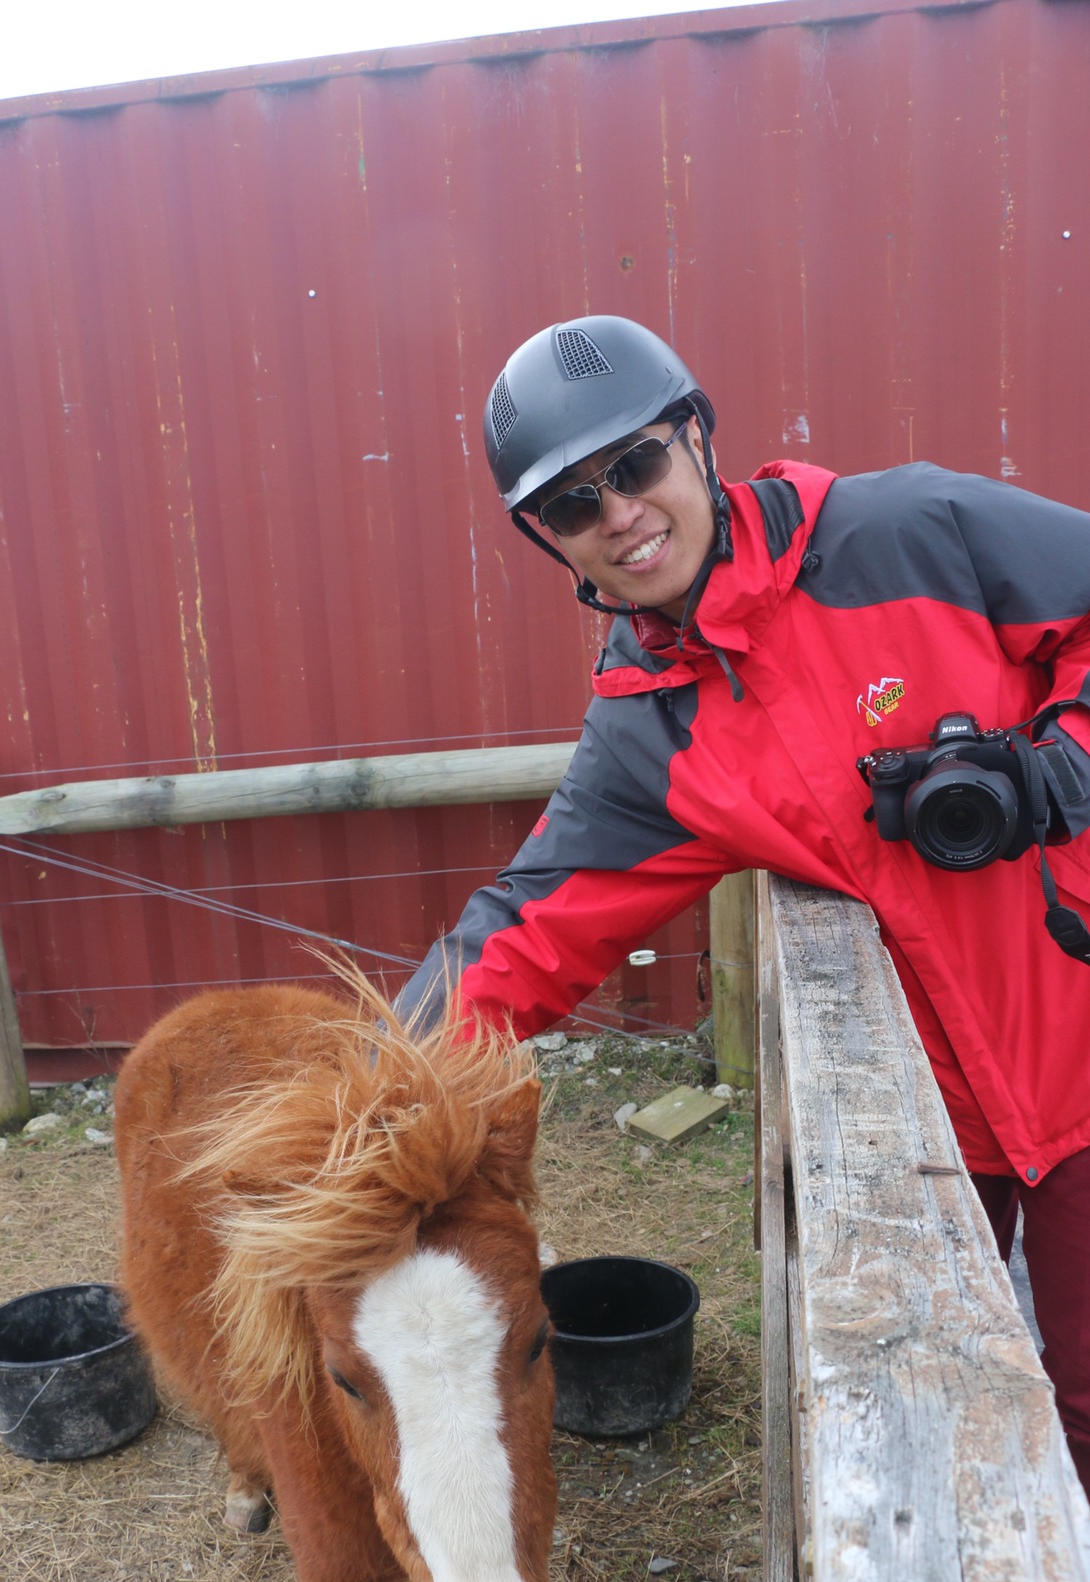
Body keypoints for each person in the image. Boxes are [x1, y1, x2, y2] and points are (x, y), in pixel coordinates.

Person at [396, 314, 1090, 1496]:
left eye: (634, 464)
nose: (617, 512)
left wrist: (1065, 759)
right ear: (548, 543)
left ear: (697, 439)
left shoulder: (909, 533)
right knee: (948, 1422)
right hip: (919, 1134)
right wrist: (361, 1088)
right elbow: (523, 930)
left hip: (1075, 1047)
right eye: (570, 504)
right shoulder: (646, 726)